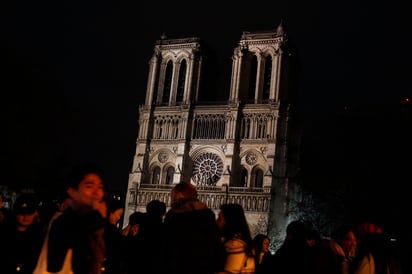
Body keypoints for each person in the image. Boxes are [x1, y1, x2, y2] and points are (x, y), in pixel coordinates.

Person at [46, 162, 108, 274]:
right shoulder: (62, 222)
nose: (96, 192)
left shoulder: (99, 225)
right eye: (89, 186)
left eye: (100, 186)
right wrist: (97, 217)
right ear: (72, 191)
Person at [160, 182, 223, 274]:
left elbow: (166, 245)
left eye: (173, 197)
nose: (171, 200)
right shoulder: (207, 214)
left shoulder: (174, 216)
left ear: (180, 195)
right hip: (203, 267)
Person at [0, 193, 45, 274]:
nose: (25, 217)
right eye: (21, 213)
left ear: (35, 213)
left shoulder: (40, 235)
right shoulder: (4, 230)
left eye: (29, 213)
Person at [216, 203, 255, 274]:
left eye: (219, 218)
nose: (216, 222)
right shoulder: (244, 244)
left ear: (229, 221)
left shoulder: (236, 245)